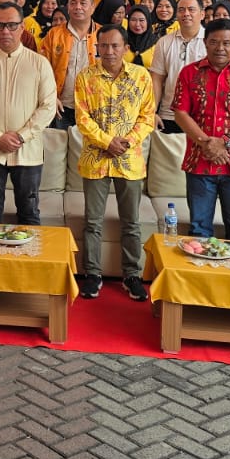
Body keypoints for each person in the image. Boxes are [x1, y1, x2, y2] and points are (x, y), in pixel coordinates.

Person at [73, 25, 157, 300]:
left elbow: (147, 116)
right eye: (104, 46)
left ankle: (132, 275)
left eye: (115, 46)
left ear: (126, 48)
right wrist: (107, 141)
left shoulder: (141, 76)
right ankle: (92, 274)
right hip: (95, 158)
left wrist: (127, 142)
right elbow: (82, 119)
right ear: (96, 47)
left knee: (131, 222)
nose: (109, 51)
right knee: (92, 222)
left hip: (129, 159)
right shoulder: (85, 77)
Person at [171, 18, 230, 240]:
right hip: (199, 162)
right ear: (205, 43)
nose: (220, 48)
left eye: (226, 43)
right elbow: (180, 113)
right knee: (199, 231)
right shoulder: (189, 73)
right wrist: (207, 143)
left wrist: (225, 142)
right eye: (214, 42)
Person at [0, 2, 56, 226]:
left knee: (29, 213)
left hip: (27, 150)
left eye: (12, 25)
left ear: (22, 27)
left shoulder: (39, 63)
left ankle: (30, 251)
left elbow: (48, 107)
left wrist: (22, 136)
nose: (5, 31)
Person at [38, 0, 98, 128]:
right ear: (68, 7)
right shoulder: (54, 34)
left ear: (92, 7)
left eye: (83, 3)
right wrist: (51, 96)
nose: (78, 7)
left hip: (93, 107)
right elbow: (41, 69)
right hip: (61, 106)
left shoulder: (103, 35)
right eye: (73, 3)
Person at [147, 0, 206, 133]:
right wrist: (152, 111)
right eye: (181, 10)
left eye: (191, 9)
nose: (186, 13)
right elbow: (157, 79)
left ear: (202, 14)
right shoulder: (164, 42)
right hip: (170, 114)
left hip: (203, 115)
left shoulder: (211, 41)